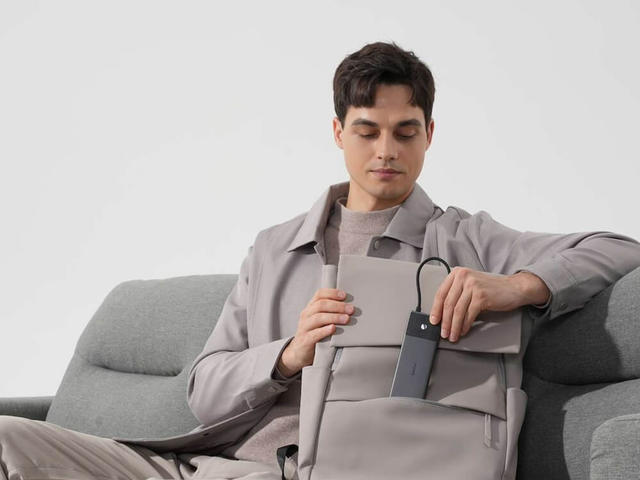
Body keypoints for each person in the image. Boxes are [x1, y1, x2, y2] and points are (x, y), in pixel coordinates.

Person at [2, 40, 640, 480]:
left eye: (405, 131)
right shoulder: (274, 248)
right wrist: (287, 354)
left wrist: (519, 286)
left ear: (429, 135)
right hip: (196, 463)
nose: (386, 150)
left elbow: (620, 249)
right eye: (367, 130)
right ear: (339, 133)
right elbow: (204, 390)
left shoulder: (465, 241)